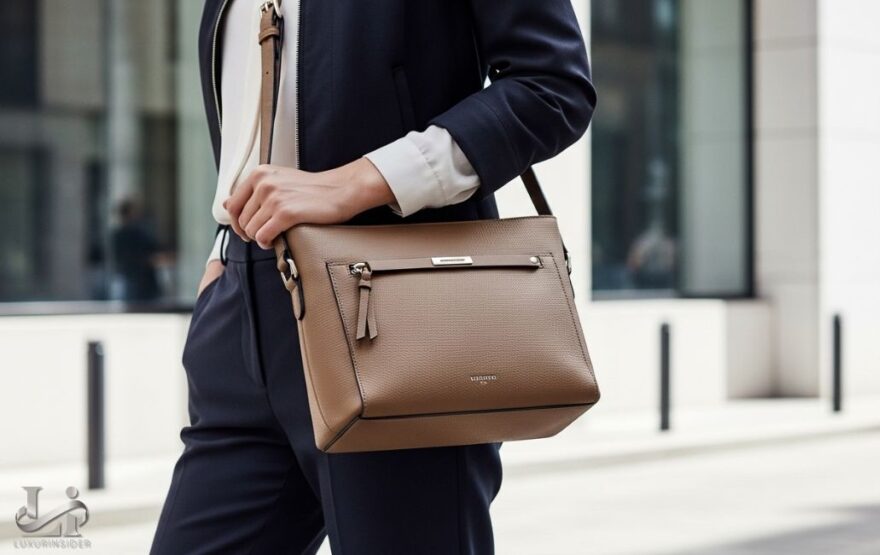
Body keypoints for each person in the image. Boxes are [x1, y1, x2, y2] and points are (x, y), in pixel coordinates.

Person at [150, 1, 595, 553]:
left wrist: (362, 180)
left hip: (395, 307)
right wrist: (225, 248)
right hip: (245, 304)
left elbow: (552, 86)